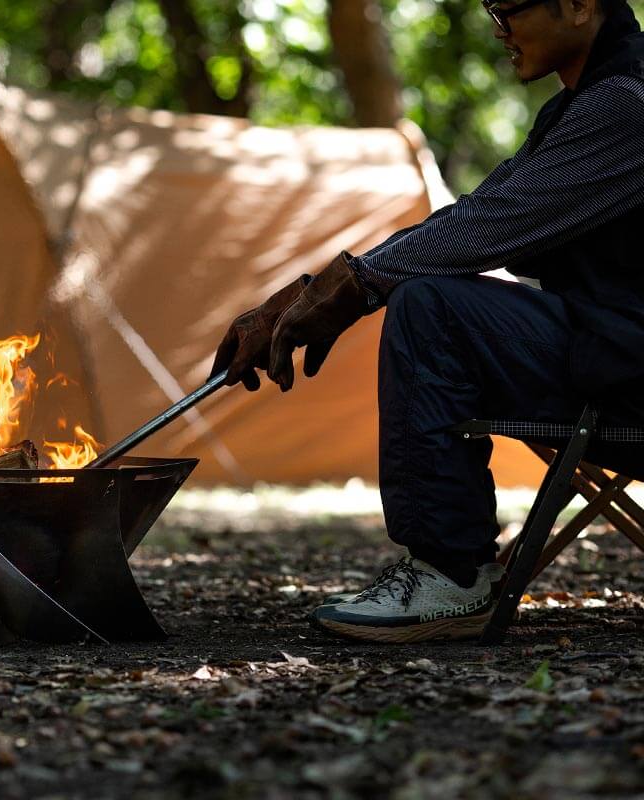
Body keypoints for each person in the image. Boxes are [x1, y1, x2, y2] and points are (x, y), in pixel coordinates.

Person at [211, 0, 644, 642]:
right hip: (611, 348)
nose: (499, 29)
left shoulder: (628, 104)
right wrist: (302, 296)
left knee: (432, 306)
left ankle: (448, 573)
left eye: (509, 9)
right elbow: (496, 216)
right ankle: (450, 567)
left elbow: (489, 225)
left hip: (628, 367)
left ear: (580, 5)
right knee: (433, 292)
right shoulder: (578, 107)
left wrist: (350, 286)